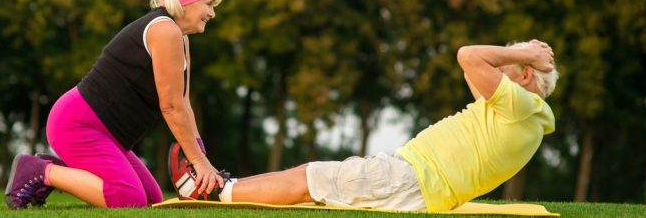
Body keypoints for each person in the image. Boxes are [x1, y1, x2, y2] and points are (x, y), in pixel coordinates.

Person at [169, 40, 558, 212]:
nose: (501, 64)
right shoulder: (519, 115)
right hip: (416, 181)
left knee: (309, 177)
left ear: (524, 75)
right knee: (314, 186)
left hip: (413, 178)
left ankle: (215, 190)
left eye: (511, 62)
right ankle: (225, 188)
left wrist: (525, 52)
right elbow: (473, 72)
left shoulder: (523, 104)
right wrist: (522, 55)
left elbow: (468, 56)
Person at [5, 0, 228, 209]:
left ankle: (54, 172)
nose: (212, 13)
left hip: (107, 136)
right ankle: (40, 171)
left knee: (151, 199)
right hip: (77, 125)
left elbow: (183, 102)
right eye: (209, 4)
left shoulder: (179, 37)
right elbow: (171, 106)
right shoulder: (164, 31)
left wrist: (200, 156)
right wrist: (199, 161)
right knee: (128, 200)